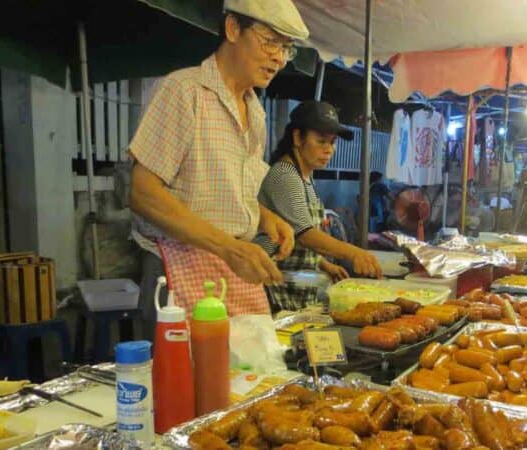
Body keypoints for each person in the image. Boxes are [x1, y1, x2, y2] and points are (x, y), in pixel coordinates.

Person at [128, 0, 308, 338]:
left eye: (287, 48)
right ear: (232, 29)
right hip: (178, 268)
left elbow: (224, 189)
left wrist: (264, 216)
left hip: (233, 269)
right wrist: (228, 246)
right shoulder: (184, 91)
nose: (279, 58)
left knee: (250, 381)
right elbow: (143, 193)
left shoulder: (255, 112)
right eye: (270, 41)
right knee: (189, 385)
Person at [257, 101, 383, 312]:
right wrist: (354, 253)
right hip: (274, 286)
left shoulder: (305, 175)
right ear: (297, 138)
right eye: (321, 141)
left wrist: (325, 264)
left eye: (332, 142)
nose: (329, 150)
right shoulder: (285, 175)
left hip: (295, 286)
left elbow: (299, 236)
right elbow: (305, 234)